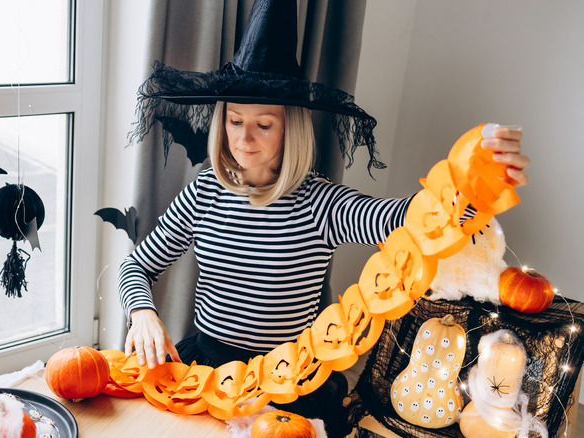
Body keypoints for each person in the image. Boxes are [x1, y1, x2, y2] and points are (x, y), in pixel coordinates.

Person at [117, 0, 529, 435]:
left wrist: (478, 177)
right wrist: (142, 312)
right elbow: (135, 265)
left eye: (264, 125)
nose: (244, 138)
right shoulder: (203, 192)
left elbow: (409, 219)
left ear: (290, 127)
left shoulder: (319, 203)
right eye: (235, 121)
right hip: (209, 370)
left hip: (291, 381)